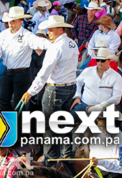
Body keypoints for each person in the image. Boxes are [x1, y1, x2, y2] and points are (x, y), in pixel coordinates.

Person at [20, 15, 78, 166]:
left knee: (49, 125)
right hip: (70, 87)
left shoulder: (55, 47)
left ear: (60, 29)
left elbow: (44, 73)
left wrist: (31, 91)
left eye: (51, 30)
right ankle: (66, 154)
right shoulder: (72, 43)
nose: (48, 33)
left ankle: (50, 160)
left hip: (55, 89)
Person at [0, 7, 49, 111]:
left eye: (14, 20)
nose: (11, 23)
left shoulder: (27, 35)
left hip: (22, 73)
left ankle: (20, 125)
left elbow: (39, 42)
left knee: (20, 102)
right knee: (3, 99)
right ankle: (11, 122)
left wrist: (53, 44)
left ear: (21, 22)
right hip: (8, 71)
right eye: (10, 20)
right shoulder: (3, 35)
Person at [70, 48, 122, 120]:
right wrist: (77, 96)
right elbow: (78, 82)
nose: (100, 62)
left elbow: (116, 98)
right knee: (69, 119)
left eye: (103, 60)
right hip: (84, 104)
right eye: (97, 60)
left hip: (105, 108)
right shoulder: (87, 71)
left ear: (109, 60)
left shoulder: (116, 77)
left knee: (120, 123)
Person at [88, 111, 122, 178]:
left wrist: (99, 162)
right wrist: (92, 164)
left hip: (116, 172)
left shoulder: (119, 137)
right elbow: (92, 154)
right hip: (98, 169)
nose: (99, 118)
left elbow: (119, 164)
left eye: (103, 117)